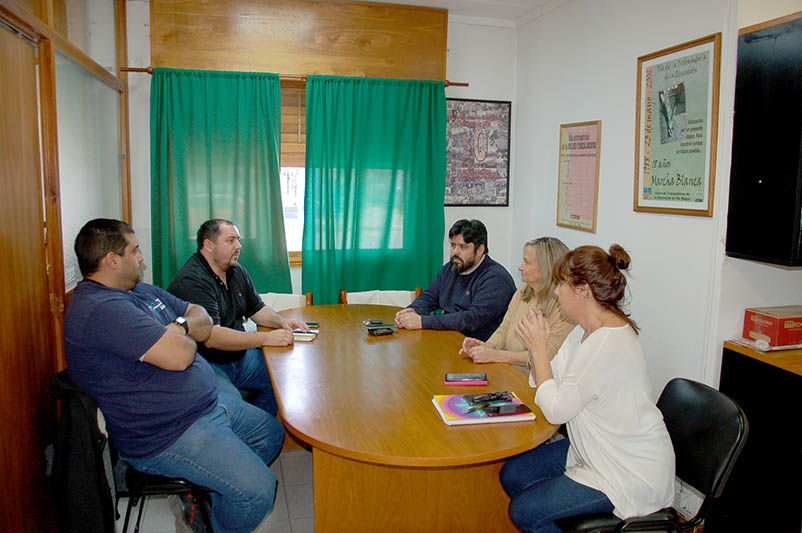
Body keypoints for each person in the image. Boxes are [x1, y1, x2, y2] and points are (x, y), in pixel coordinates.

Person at [64, 218, 284, 533]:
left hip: (205, 405)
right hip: (168, 432)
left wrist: (178, 327)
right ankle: (209, 524)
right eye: (135, 251)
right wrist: (183, 326)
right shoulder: (101, 310)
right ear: (112, 260)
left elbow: (202, 317)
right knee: (258, 492)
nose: (141, 258)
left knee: (271, 434)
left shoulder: (138, 292)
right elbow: (181, 355)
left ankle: (205, 497)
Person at [500, 244, 675, 532]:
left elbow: (556, 410)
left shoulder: (607, 344)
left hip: (626, 471)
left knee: (523, 511)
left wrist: (538, 349)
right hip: (593, 449)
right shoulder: (584, 330)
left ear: (583, 291)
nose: (556, 292)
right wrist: (538, 351)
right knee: (514, 476)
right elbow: (547, 378)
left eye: (561, 285)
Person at [167, 219, 307, 417]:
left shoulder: (235, 270)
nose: (239, 246)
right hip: (206, 363)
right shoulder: (192, 280)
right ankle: (250, 430)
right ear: (208, 245)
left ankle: (260, 426)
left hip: (239, 357)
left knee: (283, 376)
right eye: (231, 240)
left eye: (238, 240)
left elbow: (256, 308)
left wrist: (280, 322)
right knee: (232, 410)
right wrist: (266, 338)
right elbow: (212, 337)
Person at [460, 237, 574, 373]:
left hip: (532, 382)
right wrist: (485, 347)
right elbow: (503, 330)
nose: (520, 267)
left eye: (527, 262)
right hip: (506, 372)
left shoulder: (565, 308)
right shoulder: (523, 291)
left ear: (545, 269)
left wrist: (496, 355)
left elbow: (548, 356)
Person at [395, 219, 516, 341]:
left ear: (480, 250)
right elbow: (429, 297)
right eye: (453, 245)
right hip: (448, 340)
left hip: (479, 348)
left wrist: (422, 321)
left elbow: (471, 319)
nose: (455, 252)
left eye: (463, 247)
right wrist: (412, 311)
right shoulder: (451, 268)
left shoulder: (496, 279)